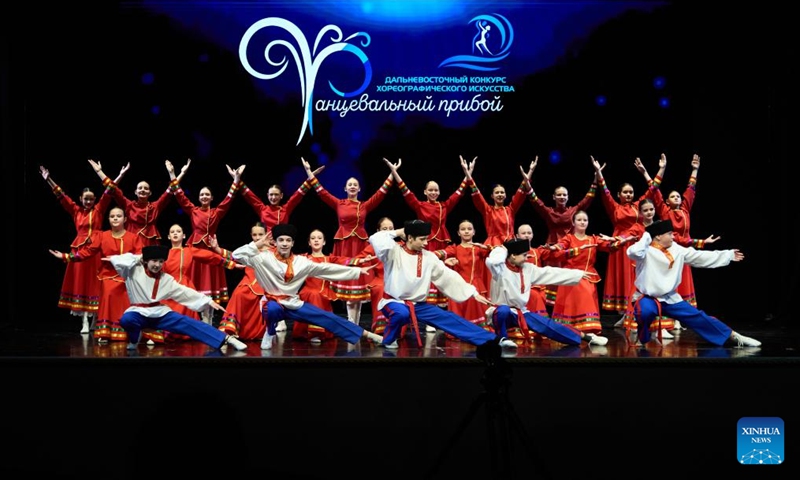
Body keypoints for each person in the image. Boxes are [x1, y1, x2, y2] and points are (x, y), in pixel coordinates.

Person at [230, 223, 384, 350]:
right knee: (272, 309)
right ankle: (269, 332)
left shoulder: (301, 262)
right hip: (273, 303)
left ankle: (369, 335)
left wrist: (357, 271)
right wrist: (257, 244)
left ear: (293, 243)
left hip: (293, 302)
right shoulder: (262, 259)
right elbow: (236, 255)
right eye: (281, 240)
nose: (284, 243)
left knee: (328, 318)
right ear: (275, 242)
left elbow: (327, 269)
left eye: (288, 240)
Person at [369, 219, 514, 350]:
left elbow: (448, 276)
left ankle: (494, 340)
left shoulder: (428, 257)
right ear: (410, 238)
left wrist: (472, 292)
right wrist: (399, 231)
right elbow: (375, 238)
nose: (426, 243)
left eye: (427, 239)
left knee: (450, 319)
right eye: (422, 239)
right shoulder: (392, 252)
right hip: (394, 301)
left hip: (419, 305)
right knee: (402, 313)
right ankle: (388, 340)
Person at [626, 219, 760, 347]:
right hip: (648, 298)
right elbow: (632, 252)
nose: (673, 237)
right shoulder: (645, 252)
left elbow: (700, 257)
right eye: (669, 234)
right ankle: (642, 338)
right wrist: (646, 236)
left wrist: (727, 255)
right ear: (658, 236)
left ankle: (733, 335)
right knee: (645, 312)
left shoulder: (677, 249)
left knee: (698, 316)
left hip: (669, 298)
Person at [104, 245, 247, 352]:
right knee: (126, 320)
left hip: (160, 313)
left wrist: (207, 301)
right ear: (145, 261)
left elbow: (184, 292)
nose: (157, 265)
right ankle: (134, 340)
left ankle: (226, 338)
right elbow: (122, 260)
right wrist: (140, 257)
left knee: (190, 323)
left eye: (160, 261)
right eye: (154, 261)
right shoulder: (133, 270)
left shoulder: (166, 279)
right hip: (138, 312)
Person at [304, 157, 395, 326]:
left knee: (359, 282)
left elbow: (380, 194)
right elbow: (321, 192)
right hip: (344, 246)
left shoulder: (364, 205)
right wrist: (309, 173)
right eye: (350, 184)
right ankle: (350, 321)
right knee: (347, 279)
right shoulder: (339, 203)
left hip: (361, 245)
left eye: (355, 184)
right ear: (345, 188)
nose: (352, 186)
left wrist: (392, 173)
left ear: (359, 189)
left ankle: (355, 322)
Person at [40, 163, 124, 333]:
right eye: (85, 198)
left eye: (91, 199)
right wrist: (48, 179)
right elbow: (62, 196)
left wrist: (119, 175)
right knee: (81, 285)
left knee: (96, 284)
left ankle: (94, 320)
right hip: (78, 251)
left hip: (96, 250)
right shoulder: (76, 211)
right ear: (81, 198)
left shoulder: (99, 210)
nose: (88, 201)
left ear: (94, 200)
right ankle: (84, 321)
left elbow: (110, 189)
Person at [484, 238, 609, 348]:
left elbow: (550, 272)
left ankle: (587, 338)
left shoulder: (528, 269)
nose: (527, 258)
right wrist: (505, 248)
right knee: (503, 310)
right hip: (499, 313)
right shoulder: (499, 270)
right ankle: (502, 339)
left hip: (520, 312)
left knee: (549, 326)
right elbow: (493, 260)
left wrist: (578, 273)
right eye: (524, 255)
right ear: (512, 256)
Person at [385, 156, 473, 311]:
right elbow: (405, 191)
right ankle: (426, 308)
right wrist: (394, 172)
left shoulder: (443, 206)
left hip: (441, 243)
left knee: (442, 272)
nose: (433, 192)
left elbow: (458, 193)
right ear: (425, 191)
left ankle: (441, 312)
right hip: (425, 244)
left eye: (436, 190)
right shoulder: (420, 206)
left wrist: (467, 174)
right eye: (430, 190)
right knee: (425, 273)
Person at [48, 207, 143, 343]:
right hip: (108, 276)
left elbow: (140, 256)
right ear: (109, 219)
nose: (115, 218)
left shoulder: (133, 238)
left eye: (118, 216)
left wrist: (120, 260)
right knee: (109, 290)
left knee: (128, 292)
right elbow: (87, 252)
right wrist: (65, 256)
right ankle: (105, 331)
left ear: (125, 219)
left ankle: (128, 330)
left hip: (128, 276)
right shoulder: (102, 236)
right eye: (112, 216)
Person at [142, 225, 242, 344]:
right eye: (172, 232)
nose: (175, 233)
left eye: (178, 231)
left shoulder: (189, 251)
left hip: (184, 285)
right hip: (167, 286)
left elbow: (209, 256)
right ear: (168, 236)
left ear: (183, 236)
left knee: (183, 306)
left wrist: (231, 264)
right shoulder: (164, 253)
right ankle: (158, 334)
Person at [592, 155, 661, 319]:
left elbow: (653, 189)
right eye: (625, 192)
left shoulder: (639, 205)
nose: (629, 194)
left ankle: (635, 311)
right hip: (619, 245)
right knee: (622, 278)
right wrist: (598, 173)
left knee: (636, 277)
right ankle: (624, 313)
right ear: (619, 194)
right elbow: (604, 191)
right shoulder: (614, 207)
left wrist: (648, 172)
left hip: (636, 244)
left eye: (631, 192)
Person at [167, 159, 242, 310]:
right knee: (194, 280)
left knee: (209, 281)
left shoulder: (216, 212)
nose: (204, 197)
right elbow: (179, 195)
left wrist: (236, 180)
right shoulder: (193, 210)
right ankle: (191, 311)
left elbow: (228, 199)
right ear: (198, 197)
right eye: (202, 195)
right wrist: (173, 174)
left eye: (207, 195)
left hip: (210, 249)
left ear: (212, 198)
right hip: (194, 248)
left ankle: (209, 314)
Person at [524, 155, 599, 305]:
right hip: (553, 248)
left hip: (570, 247)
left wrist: (597, 177)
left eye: (564, 194)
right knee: (551, 277)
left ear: (568, 196)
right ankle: (553, 310)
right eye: (559, 195)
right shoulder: (548, 212)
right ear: (554, 197)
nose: (562, 197)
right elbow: (535, 200)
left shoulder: (574, 210)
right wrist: (528, 180)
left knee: (568, 276)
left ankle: (570, 306)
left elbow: (588, 198)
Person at [549, 210, 636, 334]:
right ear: (573, 223)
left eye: (585, 220)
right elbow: (561, 246)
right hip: (571, 276)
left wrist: (622, 242)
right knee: (578, 294)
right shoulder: (569, 238)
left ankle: (588, 329)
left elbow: (609, 247)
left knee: (587, 291)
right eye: (579, 220)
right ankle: (569, 330)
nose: (582, 222)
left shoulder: (592, 239)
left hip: (588, 275)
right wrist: (553, 247)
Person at [295, 229, 373, 343]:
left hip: (324, 294)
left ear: (324, 242)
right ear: (309, 242)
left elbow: (344, 260)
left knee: (318, 295)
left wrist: (361, 260)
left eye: (319, 238)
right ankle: (314, 332)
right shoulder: (304, 258)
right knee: (314, 295)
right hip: (309, 293)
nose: (316, 240)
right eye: (313, 238)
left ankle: (319, 332)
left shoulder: (329, 259)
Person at [89, 159, 180, 246]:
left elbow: (172, 189)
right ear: (135, 192)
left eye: (146, 188)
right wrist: (99, 172)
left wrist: (172, 173)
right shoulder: (129, 205)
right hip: (131, 242)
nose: (143, 190)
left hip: (150, 242)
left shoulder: (155, 207)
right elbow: (112, 189)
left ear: (150, 193)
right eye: (140, 188)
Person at [216, 223, 271, 340]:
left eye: (260, 234)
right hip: (248, 282)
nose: (257, 237)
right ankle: (229, 330)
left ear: (266, 234)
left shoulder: (272, 251)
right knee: (239, 294)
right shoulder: (249, 249)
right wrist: (217, 248)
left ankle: (253, 332)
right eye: (254, 235)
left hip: (264, 285)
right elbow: (234, 255)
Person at [440, 219, 494, 334]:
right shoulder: (454, 249)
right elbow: (441, 256)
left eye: (469, 229)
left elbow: (497, 253)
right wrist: (446, 262)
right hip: (459, 285)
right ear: (458, 233)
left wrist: (486, 247)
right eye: (463, 229)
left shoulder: (479, 249)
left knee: (478, 319)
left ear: (474, 232)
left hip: (476, 286)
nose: (466, 231)